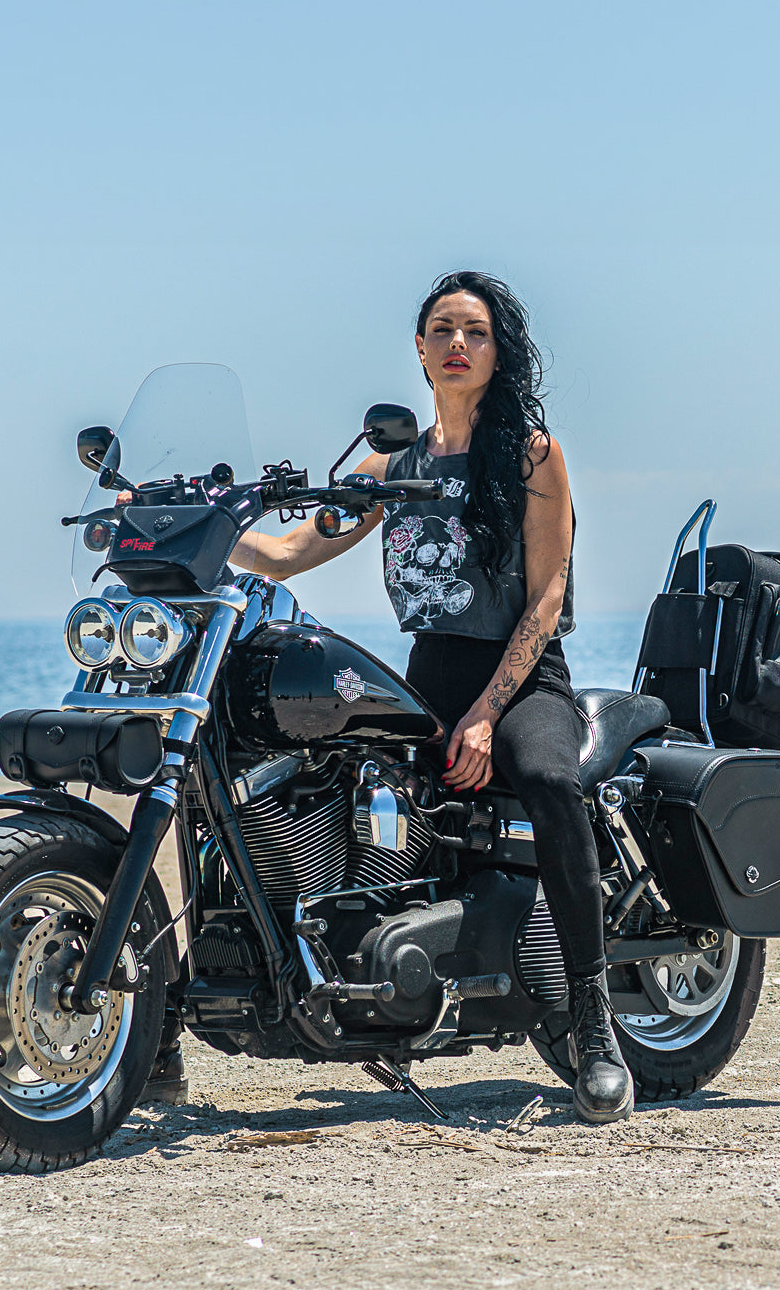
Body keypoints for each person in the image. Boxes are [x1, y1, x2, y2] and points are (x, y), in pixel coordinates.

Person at [231, 269, 634, 1124]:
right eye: (444, 330)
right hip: (429, 674)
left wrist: (486, 715)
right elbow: (288, 554)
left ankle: (594, 1021)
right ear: (418, 349)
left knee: (549, 780)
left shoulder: (531, 453)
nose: (458, 344)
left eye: (475, 332)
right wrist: (190, 528)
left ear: (497, 351)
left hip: (522, 677)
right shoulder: (389, 464)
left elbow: (547, 597)